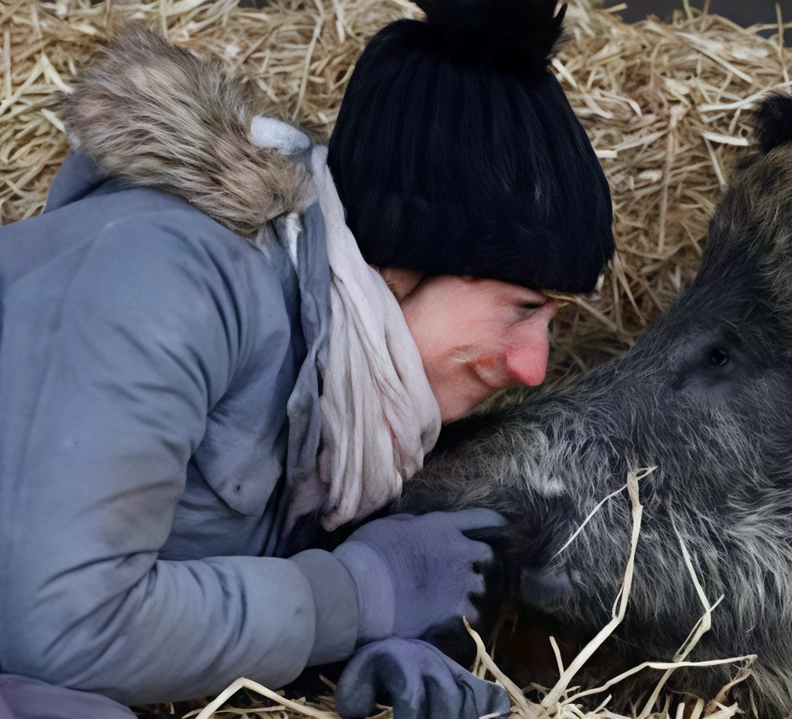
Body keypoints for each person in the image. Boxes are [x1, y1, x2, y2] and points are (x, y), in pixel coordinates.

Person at [0, 0, 613, 716]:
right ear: (409, 261)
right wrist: (355, 597)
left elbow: (201, 593)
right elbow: (64, 629)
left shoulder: (350, 386)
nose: (535, 365)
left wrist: (359, 656)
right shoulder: (163, 278)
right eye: (522, 307)